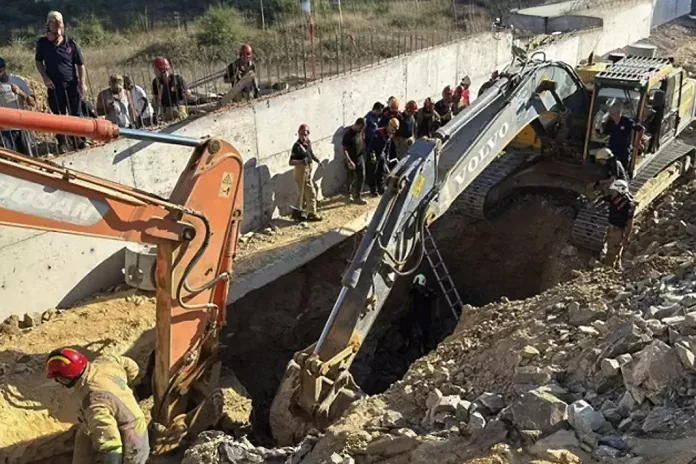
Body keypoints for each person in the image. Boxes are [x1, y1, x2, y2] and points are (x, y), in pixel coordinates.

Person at [46, 348, 149, 464]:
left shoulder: (93, 400)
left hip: (134, 437)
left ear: (67, 377)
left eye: (59, 378)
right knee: (83, 436)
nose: (58, 381)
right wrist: (124, 387)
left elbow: (111, 443)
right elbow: (131, 366)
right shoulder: (106, 361)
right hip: (128, 416)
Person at [35, 11, 88, 153]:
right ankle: (62, 142)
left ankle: (78, 140)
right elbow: (38, 61)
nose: (57, 26)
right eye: (54, 22)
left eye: (60, 23)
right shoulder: (43, 44)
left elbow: (80, 64)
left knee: (75, 114)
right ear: (48, 25)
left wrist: (82, 83)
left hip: (71, 84)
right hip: (54, 86)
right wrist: (45, 78)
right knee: (58, 115)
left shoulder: (71, 44)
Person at [0, 57, 36, 156]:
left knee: (28, 159)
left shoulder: (17, 81)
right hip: (4, 132)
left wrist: (20, 92)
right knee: (10, 161)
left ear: (3, 69)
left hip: (21, 128)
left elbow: (32, 103)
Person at [599, 103, 645, 177]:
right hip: (612, 150)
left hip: (624, 150)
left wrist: (638, 142)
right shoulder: (610, 123)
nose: (612, 116)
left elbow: (641, 129)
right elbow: (605, 134)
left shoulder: (627, 122)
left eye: (613, 114)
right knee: (611, 170)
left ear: (619, 113)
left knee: (622, 170)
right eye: (610, 114)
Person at [289, 124, 322, 221]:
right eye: (302, 134)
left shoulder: (308, 143)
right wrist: (301, 162)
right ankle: (310, 213)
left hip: (308, 171)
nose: (304, 136)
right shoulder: (296, 146)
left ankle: (300, 214)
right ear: (299, 134)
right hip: (300, 171)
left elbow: (310, 153)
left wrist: (317, 160)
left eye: (306, 134)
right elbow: (291, 162)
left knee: (304, 193)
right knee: (309, 192)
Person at [601, 179, 635, 270]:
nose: (612, 193)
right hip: (612, 227)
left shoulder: (628, 204)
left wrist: (626, 237)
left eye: (614, 191)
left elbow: (630, 222)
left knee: (612, 252)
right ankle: (616, 267)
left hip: (618, 230)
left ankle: (607, 270)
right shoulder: (614, 199)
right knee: (613, 249)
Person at [151, 56, 191, 123]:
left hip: (178, 110)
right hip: (166, 112)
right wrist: (155, 114)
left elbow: (188, 93)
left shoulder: (177, 79)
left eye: (155, 69)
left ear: (161, 70)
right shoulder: (156, 82)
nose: (154, 72)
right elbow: (156, 100)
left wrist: (186, 92)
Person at [366, 118, 399, 195]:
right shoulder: (378, 133)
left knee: (381, 172)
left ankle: (380, 188)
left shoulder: (389, 136)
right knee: (372, 172)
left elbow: (387, 147)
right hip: (374, 155)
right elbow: (371, 146)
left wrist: (387, 157)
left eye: (395, 130)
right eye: (393, 129)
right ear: (389, 126)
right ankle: (373, 189)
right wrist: (372, 155)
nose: (393, 131)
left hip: (382, 155)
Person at [408, 274, 437, 355]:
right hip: (417, 316)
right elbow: (410, 295)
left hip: (426, 317)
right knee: (416, 334)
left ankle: (425, 351)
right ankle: (418, 350)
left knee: (425, 335)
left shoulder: (429, 293)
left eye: (419, 286)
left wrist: (436, 315)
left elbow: (435, 300)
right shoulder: (415, 292)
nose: (418, 288)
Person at [342, 118, 367, 204]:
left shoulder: (360, 132)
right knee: (350, 178)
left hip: (359, 157)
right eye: (360, 128)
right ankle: (347, 194)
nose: (361, 130)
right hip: (350, 159)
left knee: (362, 176)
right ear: (357, 124)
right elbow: (344, 150)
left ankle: (358, 196)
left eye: (362, 129)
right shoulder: (348, 135)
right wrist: (349, 161)